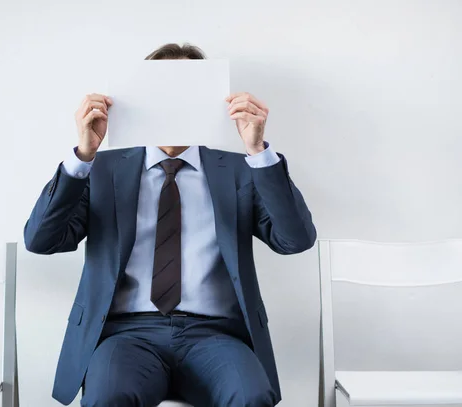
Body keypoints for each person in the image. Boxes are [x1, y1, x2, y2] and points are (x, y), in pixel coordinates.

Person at [24, 43, 316, 407]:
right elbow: (40, 240)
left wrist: (259, 152)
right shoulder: (101, 170)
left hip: (216, 336)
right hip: (126, 336)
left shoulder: (240, 170)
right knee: (106, 397)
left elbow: (295, 240)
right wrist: (83, 156)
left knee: (251, 397)